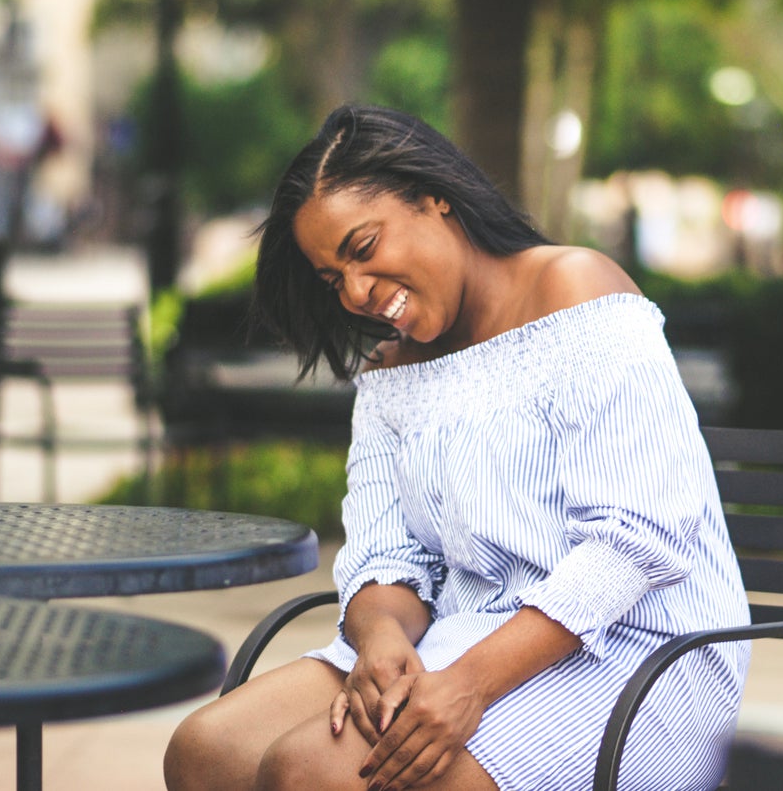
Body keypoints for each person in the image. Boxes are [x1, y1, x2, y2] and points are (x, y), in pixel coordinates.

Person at [164, 105, 750, 791]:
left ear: (434, 196)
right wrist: (380, 638)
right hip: (459, 636)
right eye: (333, 278)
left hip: (639, 653)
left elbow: (637, 542)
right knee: (208, 748)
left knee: (312, 771)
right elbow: (388, 554)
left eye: (363, 247)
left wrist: (470, 683)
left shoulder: (575, 292)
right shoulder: (390, 371)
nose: (355, 292)